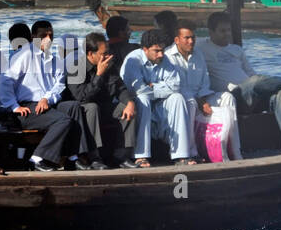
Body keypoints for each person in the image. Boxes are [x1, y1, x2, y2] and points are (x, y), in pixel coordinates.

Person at [198, 11, 281, 153]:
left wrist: (263, 85)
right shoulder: (201, 48)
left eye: (228, 30)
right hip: (232, 97)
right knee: (254, 81)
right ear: (210, 32)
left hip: (251, 94)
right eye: (222, 31)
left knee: (280, 93)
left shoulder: (237, 50)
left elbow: (252, 74)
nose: (227, 34)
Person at [0, 21, 92, 171]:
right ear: (33, 36)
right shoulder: (24, 55)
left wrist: (46, 99)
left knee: (74, 107)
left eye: (51, 35)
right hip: (27, 108)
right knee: (63, 121)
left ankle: (74, 156)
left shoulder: (53, 58)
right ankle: (37, 158)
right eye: (43, 35)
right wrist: (14, 106)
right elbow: (5, 81)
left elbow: (59, 83)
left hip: (46, 104)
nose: (48, 39)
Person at [121, 29, 197, 167]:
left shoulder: (164, 59)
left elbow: (175, 86)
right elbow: (138, 90)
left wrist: (153, 87)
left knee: (178, 98)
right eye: (156, 51)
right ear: (145, 49)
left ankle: (180, 155)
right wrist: (159, 87)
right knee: (143, 99)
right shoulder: (133, 60)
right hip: (137, 104)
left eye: (162, 50)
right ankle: (140, 156)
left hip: (158, 104)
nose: (161, 54)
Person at [166, 21, 239, 161]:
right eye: (186, 38)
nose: (191, 41)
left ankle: (234, 150)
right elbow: (177, 87)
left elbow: (205, 81)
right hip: (183, 100)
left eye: (193, 37)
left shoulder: (198, 54)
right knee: (190, 102)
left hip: (202, 96)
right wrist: (200, 102)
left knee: (227, 97)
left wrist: (204, 99)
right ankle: (192, 153)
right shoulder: (168, 57)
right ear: (177, 40)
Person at [66, 31, 137, 168]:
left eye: (108, 52)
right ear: (90, 54)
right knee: (92, 107)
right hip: (83, 110)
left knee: (127, 107)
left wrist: (130, 102)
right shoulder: (76, 67)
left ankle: (122, 155)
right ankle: (94, 157)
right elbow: (82, 98)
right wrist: (98, 75)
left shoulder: (109, 64)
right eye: (103, 53)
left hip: (104, 107)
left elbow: (120, 88)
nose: (107, 56)